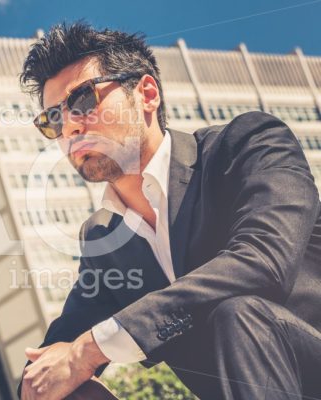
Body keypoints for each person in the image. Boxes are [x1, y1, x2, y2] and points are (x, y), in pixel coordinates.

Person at [17, 21, 321, 400]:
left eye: (82, 101)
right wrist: (45, 376)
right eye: (54, 119)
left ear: (146, 93)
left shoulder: (246, 145)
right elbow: (55, 354)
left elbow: (263, 263)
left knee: (238, 314)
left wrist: (89, 349)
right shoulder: (104, 239)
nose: (71, 129)